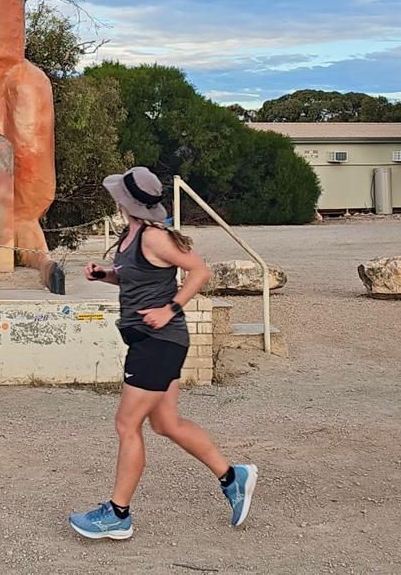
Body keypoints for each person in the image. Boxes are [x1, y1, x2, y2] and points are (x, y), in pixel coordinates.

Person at [68, 166, 256, 540]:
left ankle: (118, 515)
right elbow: (138, 276)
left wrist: (170, 308)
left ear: (125, 200)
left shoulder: (154, 237)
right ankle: (234, 477)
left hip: (160, 342)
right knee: (166, 424)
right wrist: (105, 275)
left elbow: (200, 271)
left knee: (127, 424)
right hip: (147, 341)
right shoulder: (131, 235)